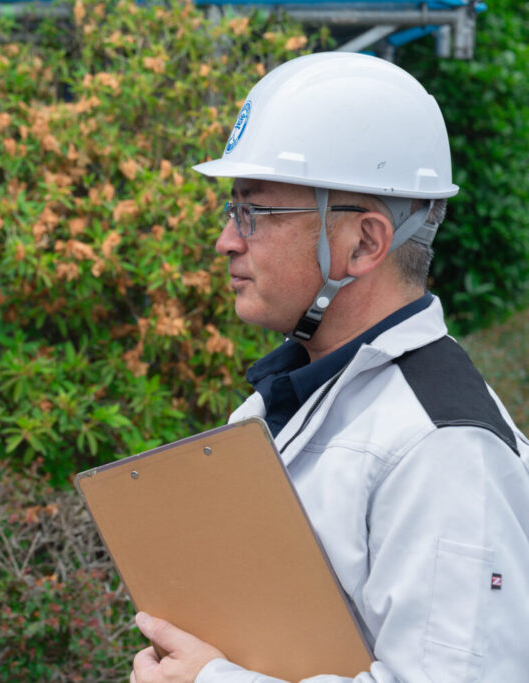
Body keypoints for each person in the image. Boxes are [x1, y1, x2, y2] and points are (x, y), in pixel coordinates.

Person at [130, 52, 529, 682]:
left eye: (253, 212)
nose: (227, 240)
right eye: (232, 209)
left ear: (364, 242)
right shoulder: (288, 397)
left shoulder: (445, 448)